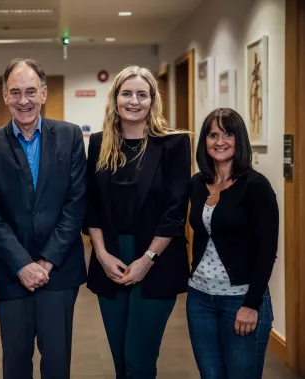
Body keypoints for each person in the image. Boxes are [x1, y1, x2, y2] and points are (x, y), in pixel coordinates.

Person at [0, 58, 87, 379]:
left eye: (30, 91)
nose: (23, 100)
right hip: (11, 275)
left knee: (56, 363)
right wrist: (22, 264)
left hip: (60, 273)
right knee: (15, 363)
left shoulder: (69, 136)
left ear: (43, 93)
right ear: (4, 96)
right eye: (15, 92)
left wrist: (47, 261)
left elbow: (76, 203)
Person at [85, 65, 191, 379]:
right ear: (115, 99)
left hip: (156, 259)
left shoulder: (173, 144)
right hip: (111, 260)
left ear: (152, 100)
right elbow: (91, 206)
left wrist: (147, 259)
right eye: (126, 93)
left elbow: (175, 210)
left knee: (139, 359)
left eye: (142, 94)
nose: (134, 101)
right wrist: (101, 256)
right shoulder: (99, 143)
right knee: (120, 359)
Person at [187, 108, 278, 379]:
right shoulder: (197, 183)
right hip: (199, 299)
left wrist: (251, 305)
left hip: (240, 300)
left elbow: (267, 250)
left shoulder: (256, 186)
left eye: (228, 134)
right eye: (212, 135)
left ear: (240, 139)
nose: (219, 141)